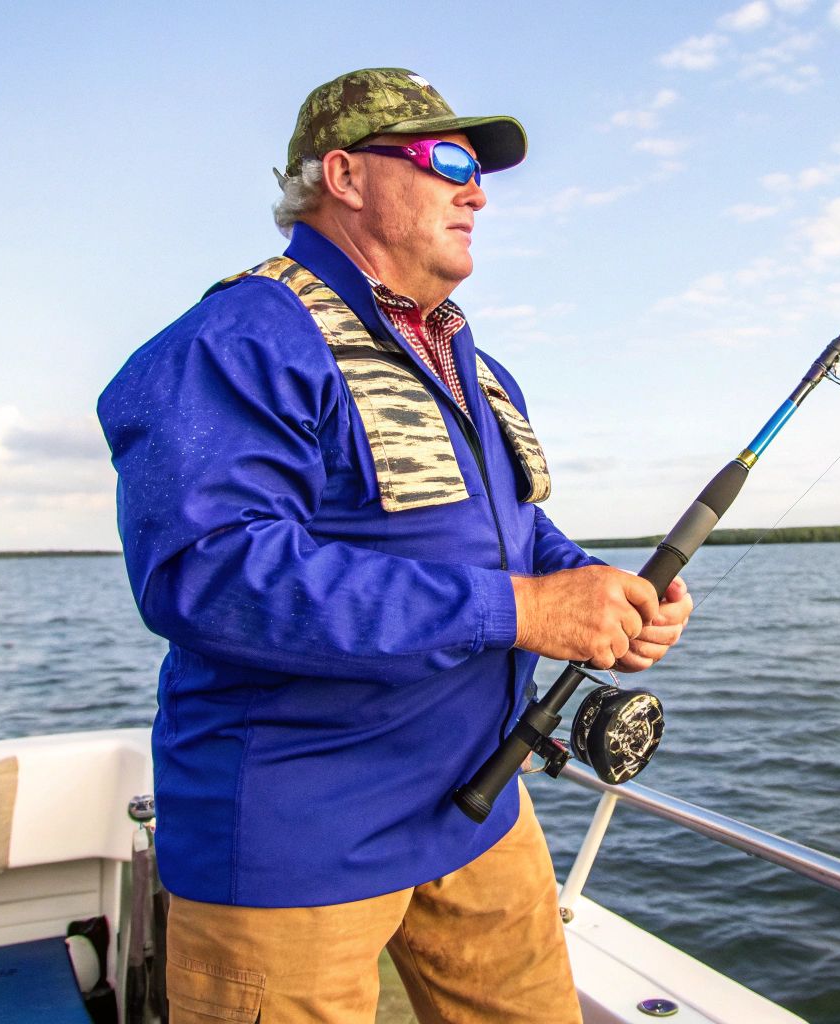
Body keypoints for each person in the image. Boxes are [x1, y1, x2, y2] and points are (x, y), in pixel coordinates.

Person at [97, 68, 693, 1024]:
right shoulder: (238, 337)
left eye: (479, 170)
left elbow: (507, 526)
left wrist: (593, 588)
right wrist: (527, 612)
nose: (477, 190)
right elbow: (210, 573)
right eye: (447, 160)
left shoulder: (465, 357)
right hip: (298, 842)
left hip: (479, 808)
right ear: (343, 174)